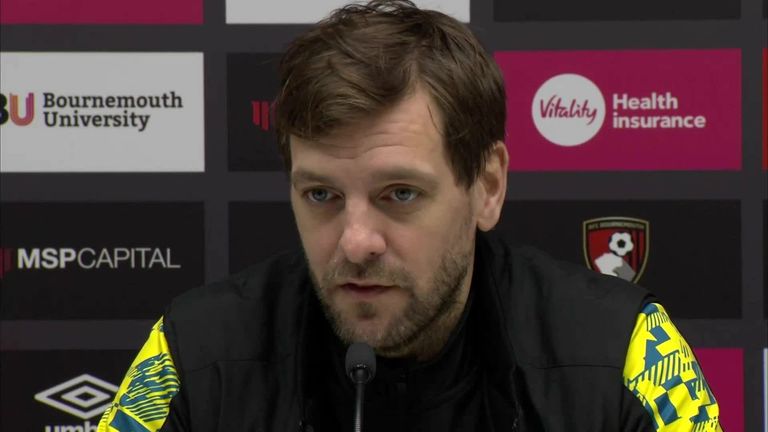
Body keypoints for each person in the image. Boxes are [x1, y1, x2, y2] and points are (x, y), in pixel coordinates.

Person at [97, 1, 722, 431]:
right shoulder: (193, 351)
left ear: (487, 187)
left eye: (399, 194)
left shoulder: (627, 351)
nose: (356, 242)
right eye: (322, 195)